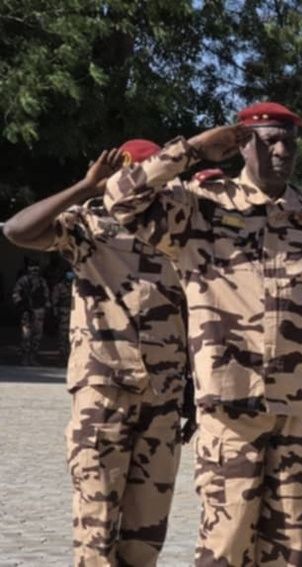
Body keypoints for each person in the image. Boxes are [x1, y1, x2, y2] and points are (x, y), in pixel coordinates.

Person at [105, 102, 302, 566]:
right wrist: (192, 150)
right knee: (226, 547)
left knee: (296, 551)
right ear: (244, 144)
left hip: (301, 412)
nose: (283, 150)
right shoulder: (200, 207)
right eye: (270, 139)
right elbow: (120, 199)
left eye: (290, 141)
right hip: (231, 413)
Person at [3, 140, 189, 565]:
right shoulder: (87, 226)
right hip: (103, 394)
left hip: (163, 396)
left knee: (146, 535)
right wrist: (85, 188)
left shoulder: (180, 235)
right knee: (97, 528)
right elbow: (16, 230)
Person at [12, 261, 50, 365]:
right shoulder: (23, 281)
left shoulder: (42, 281)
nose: (35, 272)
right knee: (26, 335)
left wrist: (46, 305)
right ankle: (25, 358)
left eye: (36, 270)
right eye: (33, 269)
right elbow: (16, 293)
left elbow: (46, 295)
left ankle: (33, 357)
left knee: (37, 335)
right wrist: (21, 305)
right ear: (29, 269)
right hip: (27, 311)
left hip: (38, 310)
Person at [52, 271, 74, 359]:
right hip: (63, 311)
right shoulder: (59, 286)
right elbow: (55, 299)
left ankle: (70, 354)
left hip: (74, 312)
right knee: (63, 333)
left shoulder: (76, 286)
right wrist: (55, 311)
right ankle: (62, 354)